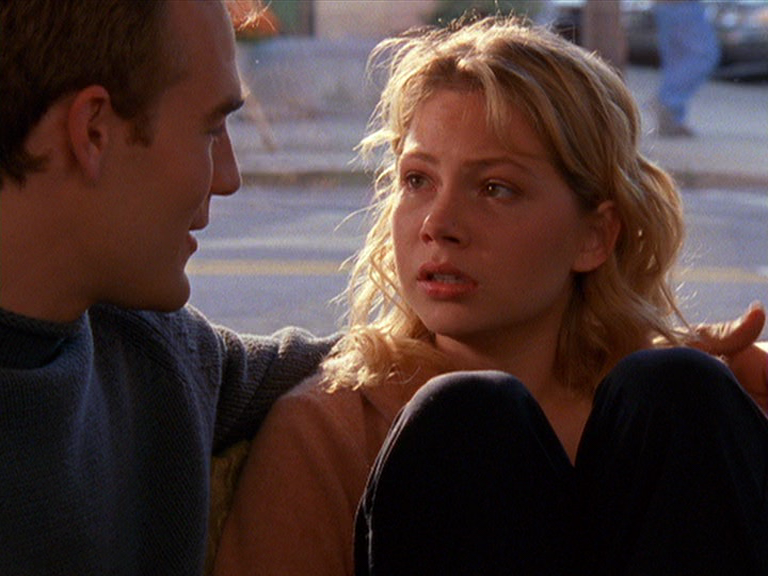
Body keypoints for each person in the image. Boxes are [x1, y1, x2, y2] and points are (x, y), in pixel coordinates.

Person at [213, 15, 768, 576]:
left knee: (680, 385)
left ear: (595, 236)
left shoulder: (668, 413)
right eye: (417, 180)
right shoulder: (329, 429)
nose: (438, 224)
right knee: (464, 418)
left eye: (495, 188)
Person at [0, 1, 337, 574]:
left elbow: (364, 366)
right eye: (211, 129)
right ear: (93, 131)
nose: (229, 178)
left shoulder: (149, 352)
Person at [653, 0, 720, 137]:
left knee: (677, 59)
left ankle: (673, 114)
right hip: (682, 5)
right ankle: (669, 102)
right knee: (703, 55)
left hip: (667, 7)